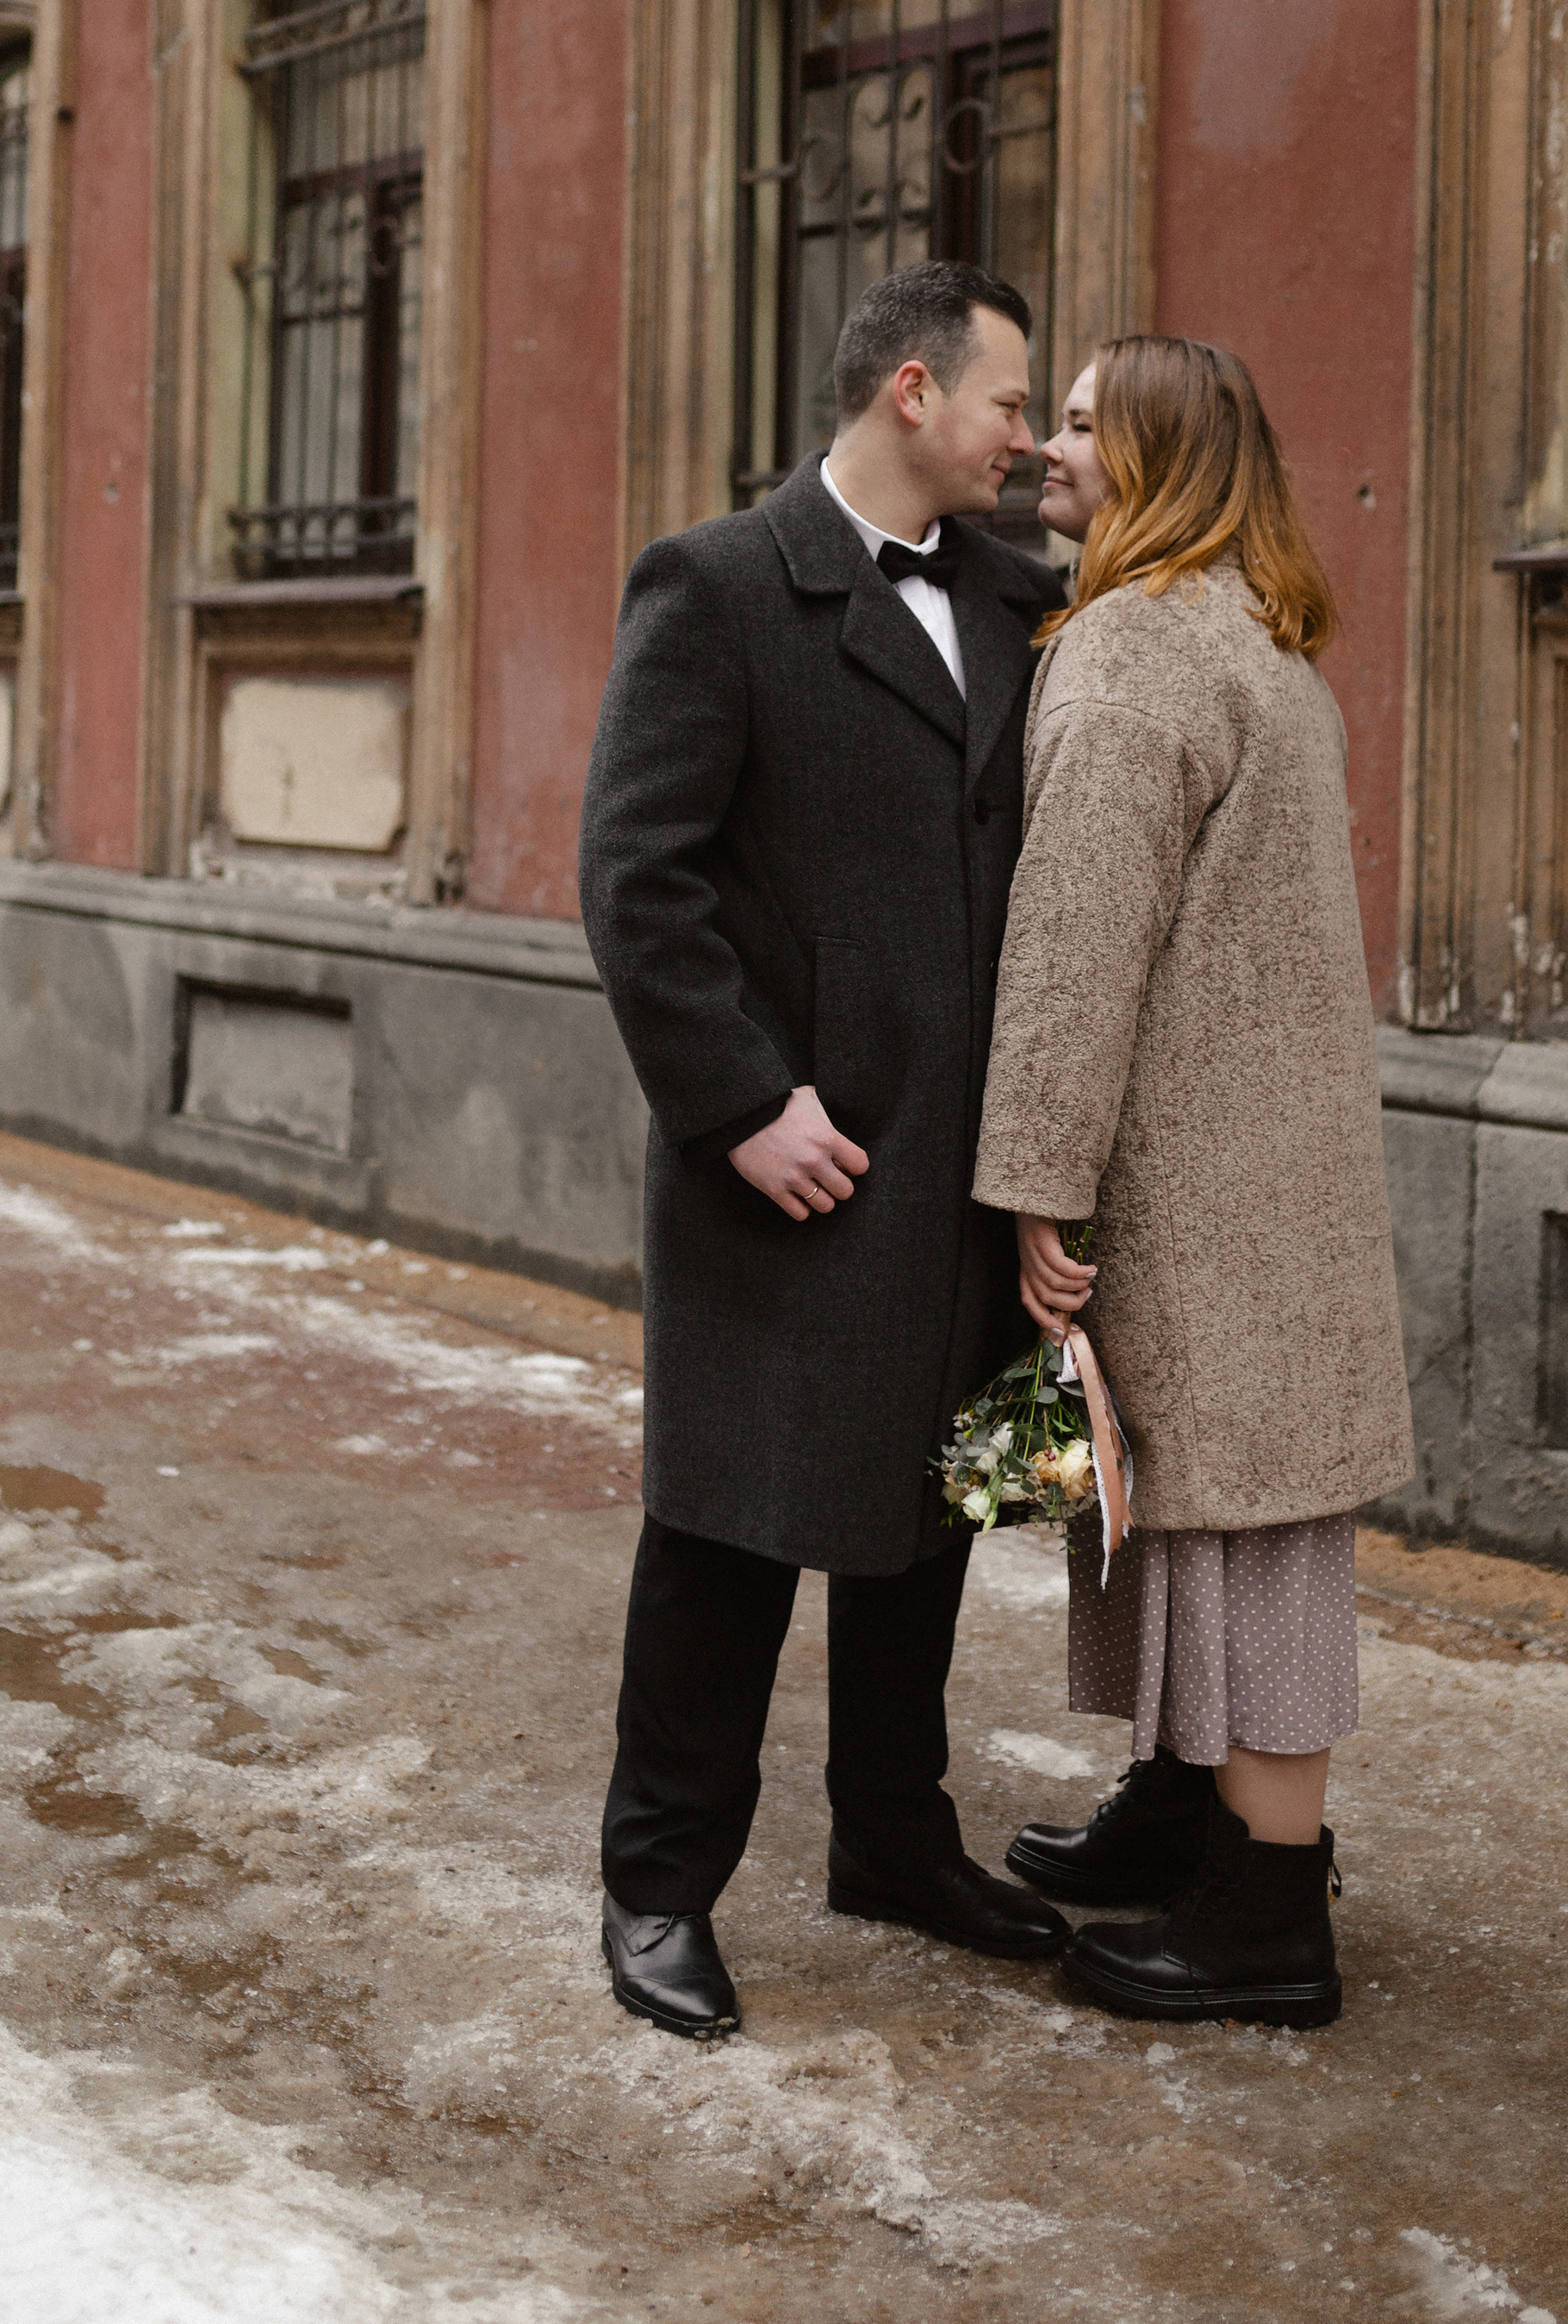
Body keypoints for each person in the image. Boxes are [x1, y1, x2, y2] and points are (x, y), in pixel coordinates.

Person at [578, 260, 1073, 2039]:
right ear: (914, 394)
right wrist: (736, 1104)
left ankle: (892, 1837)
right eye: (1013, 402)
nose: (1028, 439)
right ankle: (656, 1887)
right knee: (728, 1538)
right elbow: (636, 881)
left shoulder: (1021, 600)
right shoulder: (714, 586)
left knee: (922, 1524)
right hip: (794, 1167)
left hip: (962, 1172)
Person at [973, 334, 1415, 2030]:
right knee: (1185, 1518)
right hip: (1265, 1177)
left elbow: (1074, 954)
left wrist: (1029, 1184)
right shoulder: (1254, 639)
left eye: (1084, 426)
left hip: (1197, 1179)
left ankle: (1263, 1922)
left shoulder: (1132, 654)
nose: (1048, 451)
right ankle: (1186, 1810)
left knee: (1238, 1533)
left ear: (1159, 458)